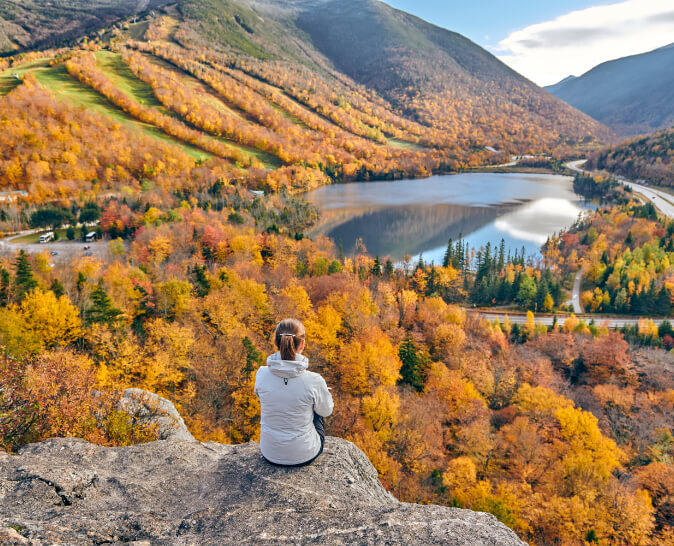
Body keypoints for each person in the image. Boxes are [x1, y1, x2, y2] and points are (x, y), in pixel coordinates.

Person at [254, 318, 333, 466]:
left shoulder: (261, 374)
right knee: (317, 408)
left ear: (275, 343)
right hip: (304, 454)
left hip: (269, 452)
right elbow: (326, 411)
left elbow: (260, 395)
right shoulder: (313, 380)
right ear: (302, 344)